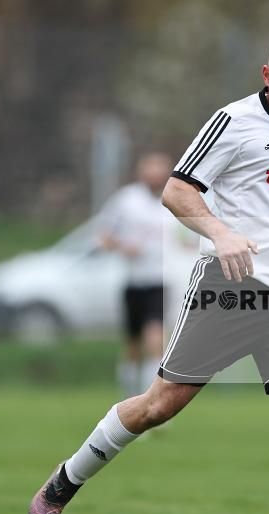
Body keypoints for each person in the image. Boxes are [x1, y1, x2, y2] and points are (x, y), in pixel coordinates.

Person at [28, 35, 269, 514]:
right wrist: (222, 233)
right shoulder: (232, 121)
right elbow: (176, 191)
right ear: (266, 75)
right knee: (159, 406)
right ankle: (67, 478)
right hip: (227, 287)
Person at [98, 152, 174, 398]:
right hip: (134, 281)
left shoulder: (174, 198)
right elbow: (104, 237)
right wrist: (123, 247)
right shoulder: (127, 199)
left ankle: (151, 400)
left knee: (155, 339)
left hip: (161, 281)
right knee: (133, 345)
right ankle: (128, 397)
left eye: (160, 169)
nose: (155, 175)